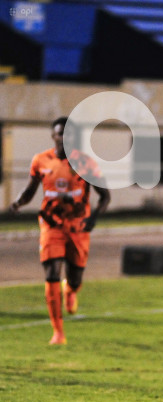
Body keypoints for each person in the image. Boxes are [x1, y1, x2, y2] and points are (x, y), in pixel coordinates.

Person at [9, 116, 111, 345]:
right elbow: (30, 190)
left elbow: (105, 196)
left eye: (69, 134)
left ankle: (71, 289)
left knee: (75, 276)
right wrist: (18, 202)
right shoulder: (40, 161)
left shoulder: (85, 163)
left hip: (78, 227)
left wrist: (93, 218)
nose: (64, 138)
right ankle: (58, 332)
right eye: (60, 134)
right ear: (53, 136)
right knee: (52, 273)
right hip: (51, 224)